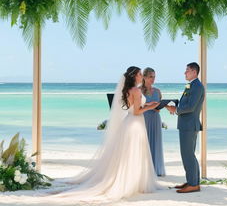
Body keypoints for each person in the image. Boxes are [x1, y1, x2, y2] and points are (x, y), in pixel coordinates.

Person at [53, 66, 162, 202]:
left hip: (128, 122)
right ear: (135, 76)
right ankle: (134, 183)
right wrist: (152, 106)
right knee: (135, 153)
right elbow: (137, 112)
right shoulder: (136, 90)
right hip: (136, 124)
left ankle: (132, 181)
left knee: (129, 154)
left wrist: (147, 104)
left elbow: (133, 107)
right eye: (140, 74)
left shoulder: (128, 90)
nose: (142, 76)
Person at [166, 62, 205, 193]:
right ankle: (192, 181)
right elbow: (186, 103)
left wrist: (175, 109)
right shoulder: (192, 85)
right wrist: (175, 104)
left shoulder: (197, 86)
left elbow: (190, 107)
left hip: (189, 125)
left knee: (188, 154)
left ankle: (193, 184)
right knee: (189, 154)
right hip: (186, 124)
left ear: (194, 72)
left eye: (187, 70)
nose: (184, 72)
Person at [141, 67, 166, 176]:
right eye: (151, 77)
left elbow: (158, 107)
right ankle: (144, 170)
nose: (153, 79)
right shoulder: (139, 91)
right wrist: (148, 105)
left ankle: (156, 169)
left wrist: (159, 106)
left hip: (155, 119)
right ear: (144, 77)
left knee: (155, 142)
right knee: (143, 143)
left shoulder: (157, 91)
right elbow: (135, 106)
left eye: (154, 77)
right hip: (143, 119)